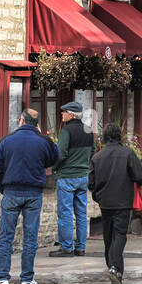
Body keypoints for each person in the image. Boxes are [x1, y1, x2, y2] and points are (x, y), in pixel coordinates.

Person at [0, 108, 59, 284]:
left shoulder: (6, 141)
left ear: (21, 121)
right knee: (30, 237)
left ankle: (2, 278)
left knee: (5, 237)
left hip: (11, 192)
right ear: (37, 124)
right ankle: (27, 279)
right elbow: (54, 158)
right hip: (33, 193)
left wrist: (1, 188)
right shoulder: (44, 141)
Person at [87, 123, 142, 284]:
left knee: (108, 236)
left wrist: (98, 196)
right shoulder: (127, 154)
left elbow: (90, 183)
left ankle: (115, 270)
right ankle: (114, 267)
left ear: (104, 137)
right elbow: (139, 176)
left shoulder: (97, 157)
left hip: (105, 202)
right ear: (119, 136)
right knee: (119, 235)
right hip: (123, 201)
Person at [49, 101, 93, 258]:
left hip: (67, 177)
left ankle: (66, 247)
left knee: (65, 213)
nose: (62, 115)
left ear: (71, 114)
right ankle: (81, 247)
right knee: (81, 213)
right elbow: (92, 151)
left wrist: (53, 167)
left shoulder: (66, 132)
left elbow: (61, 154)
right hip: (83, 176)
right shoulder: (88, 131)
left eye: (64, 112)